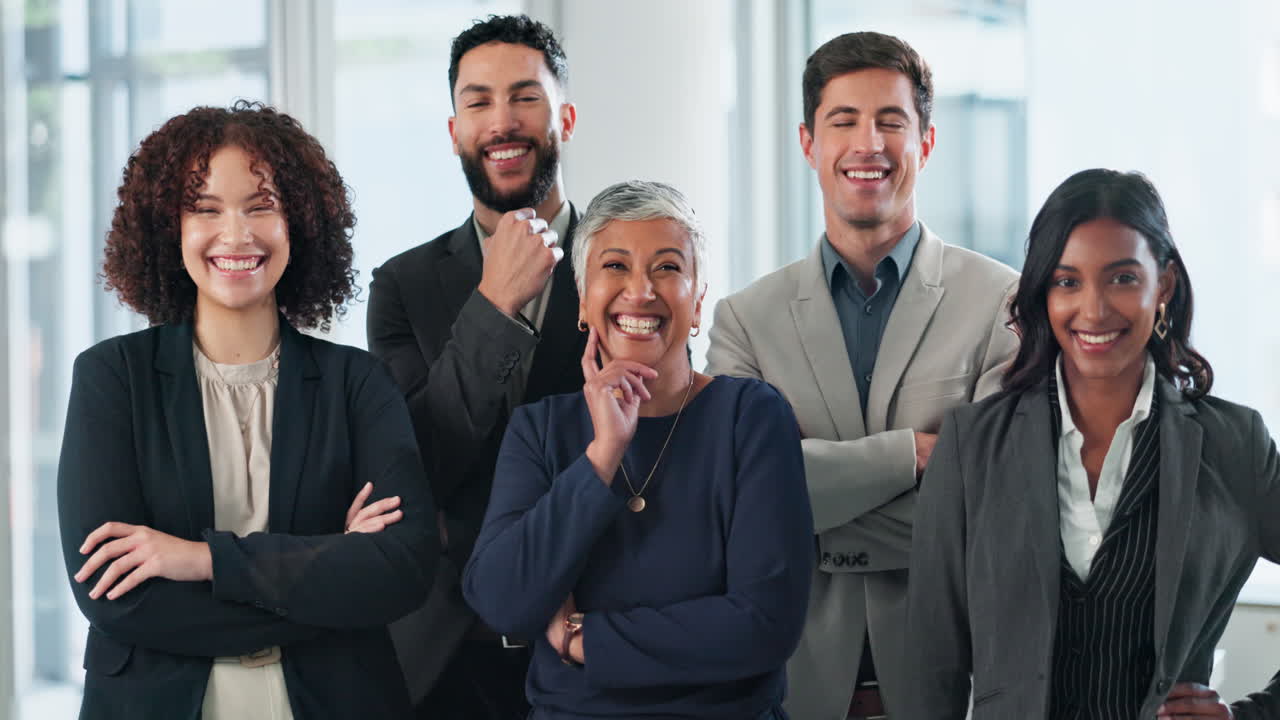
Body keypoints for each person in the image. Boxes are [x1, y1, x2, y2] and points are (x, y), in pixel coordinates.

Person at [57, 101, 436, 719]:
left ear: (301, 224)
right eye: (205, 209)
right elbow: (114, 597)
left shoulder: (357, 382)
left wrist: (201, 559)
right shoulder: (111, 379)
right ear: (168, 228)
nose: (236, 235)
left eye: (261, 206)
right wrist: (326, 577)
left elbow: (403, 568)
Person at [705, 31, 1019, 720]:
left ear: (926, 144)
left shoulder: (1002, 305)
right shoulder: (744, 320)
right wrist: (915, 455)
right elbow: (735, 510)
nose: (867, 144)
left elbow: (995, 512)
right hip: (789, 683)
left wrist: (803, 510)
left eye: (891, 122)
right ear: (808, 143)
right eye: (843, 121)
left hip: (951, 682)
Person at [904, 168, 1280, 719]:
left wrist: (1255, 716)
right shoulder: (971, 446)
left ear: (1164, 286)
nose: (1095, 310)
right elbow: (930, 672)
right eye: (1067, 281)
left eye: (1123, 278)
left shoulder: (1234, 446)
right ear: (1042, 294)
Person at [462, 180, 813, 719]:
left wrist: (586, 639)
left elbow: (765, 624)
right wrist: (603, 453)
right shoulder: (541, 429)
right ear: (583, 300)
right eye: (616, 267)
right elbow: (503, 599)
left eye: (668, 267)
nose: (641, 290)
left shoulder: (752, 416)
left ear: (697, 303)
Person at [365, 15, 584, 717]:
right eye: (478, 102)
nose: (502, 122)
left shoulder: (630, 267)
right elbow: (418, 463)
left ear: (565, 118)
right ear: (454, 129)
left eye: (524, 97)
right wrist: (496, 302)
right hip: (443, 652)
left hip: (595, 625)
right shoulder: (402, 285)